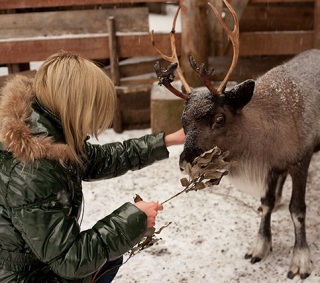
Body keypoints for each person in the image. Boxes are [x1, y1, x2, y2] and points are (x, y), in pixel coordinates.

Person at [0, 51, 185, 283]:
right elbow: (70, 260)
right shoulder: (34, 170)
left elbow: (103, 158)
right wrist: (131, 220)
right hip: (25, 277)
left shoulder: (43, 130)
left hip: (36, 261)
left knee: (108, 257)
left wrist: (168, 140)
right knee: (104, 256)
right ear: (76, 107)